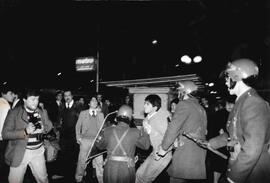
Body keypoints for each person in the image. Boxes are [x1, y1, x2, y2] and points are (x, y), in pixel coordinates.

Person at [208, 58, 270, 183]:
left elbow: (252, 148)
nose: (226, 82)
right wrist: (211, 143)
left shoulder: (253, 103)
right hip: (240, 166)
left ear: (236, 77)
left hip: (252, 173)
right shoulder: (242, 101)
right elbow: (234, 134)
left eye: (227, 78)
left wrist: (234, 177)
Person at [157, 80, 208, 183]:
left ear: (184, 92)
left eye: (180, 91)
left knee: (176, 179)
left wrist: (164, 147)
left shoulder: (184, 104)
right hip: (198, 152)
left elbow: (173, 128)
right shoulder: (200, 108)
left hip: (186, 152)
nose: (178, 93)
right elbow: (204, 131)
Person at [2, 88, 53, 183]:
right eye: (33, 99)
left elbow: (49, 126)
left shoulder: (41, 111)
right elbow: (5, 134)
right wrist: (25, 131)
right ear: (24, 100)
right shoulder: (14, 113)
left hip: (38, 152)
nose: (36, 102)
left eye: (37, 99)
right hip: (20, 152)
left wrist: (44, 127)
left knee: (43, 179)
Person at [96, 105, 151, 183]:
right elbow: (146, 146)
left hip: (110, 169)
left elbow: (99, 146)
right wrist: (145, 131)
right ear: (130, 118)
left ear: (117, 117)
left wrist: (103, 131)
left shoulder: (108, 130)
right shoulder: (135, 132)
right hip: (126, 169)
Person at [136, 94, 172, 183]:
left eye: (147, 104)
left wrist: (160, 151)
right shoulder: (149, 117)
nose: (144, 105)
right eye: (144, 103)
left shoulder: (160, 119)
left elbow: (170, 137)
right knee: (139, 174)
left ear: (155, 107)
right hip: (154, 151)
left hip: (162, 154)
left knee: (145, 179)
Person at [75, 96, 105, 183]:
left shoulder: (101, 114)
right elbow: (78, 126)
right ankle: (79, 178)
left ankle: (101, 180)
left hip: (97, 141)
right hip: (85, 141)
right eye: (92, 100)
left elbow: (102, 129)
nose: (95, 102)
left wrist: (102, 140)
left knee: (100, 163)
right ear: (89, 103)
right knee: (82, 162)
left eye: (96, 101)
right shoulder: (83, 113)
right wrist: (78, 137)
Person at [59, 90, 81, 182]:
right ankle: (66, 176)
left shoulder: (78, 106)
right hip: (64, 136)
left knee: (73, 157)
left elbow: (81, 121)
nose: (67, 97)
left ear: (72, 96)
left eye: (68, 95)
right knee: (65, 156)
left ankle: (73, 177)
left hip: (74, 136)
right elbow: (60, 120)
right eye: (65, 96)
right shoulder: (62, 106)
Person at [0, 85, 15, 182]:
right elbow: (6, 124)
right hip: (3, 137)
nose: (13, 96)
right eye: (10, 93)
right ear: (3, 94)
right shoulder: (6, 106)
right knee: (3, 161)